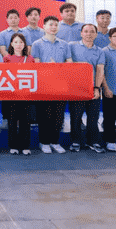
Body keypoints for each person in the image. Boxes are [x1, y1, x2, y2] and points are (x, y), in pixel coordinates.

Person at [31, 16, 72, 154]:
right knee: (44, 116)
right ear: (44, 27)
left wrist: (58, 67)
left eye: (56, 25)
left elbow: (69, 63)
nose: (53, 27)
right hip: (44, 85)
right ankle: (44, 142)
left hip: (60, 85)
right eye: (50, 24)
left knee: (58, 115)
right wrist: (48, 67)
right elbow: (35, 65)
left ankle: (55, 141)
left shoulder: (64, 44)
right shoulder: (37, 44)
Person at [68, 24, 105, 154]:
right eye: (86, 31)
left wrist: (97, 88)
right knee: (76, 117)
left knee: (93, 117)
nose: (89, 34)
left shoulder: (100, 51)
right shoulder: (72, 46)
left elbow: (100, 70)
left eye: (92, 31)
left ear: (96, 34)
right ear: (81, 33)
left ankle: (93, 142)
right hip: (76, 88)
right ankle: (76, 142)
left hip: (92, 88)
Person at [3, 33, 35, 155]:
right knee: (12, 121)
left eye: (21, 42)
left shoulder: (30, 59)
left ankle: (25, 146)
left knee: (25, 121)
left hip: (26, 95)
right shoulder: (7, 58)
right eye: (16, 42)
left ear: (24, 44)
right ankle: (13, 146)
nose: (18, 44)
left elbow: (34, 76)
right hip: (11, 95)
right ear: (11, 44)